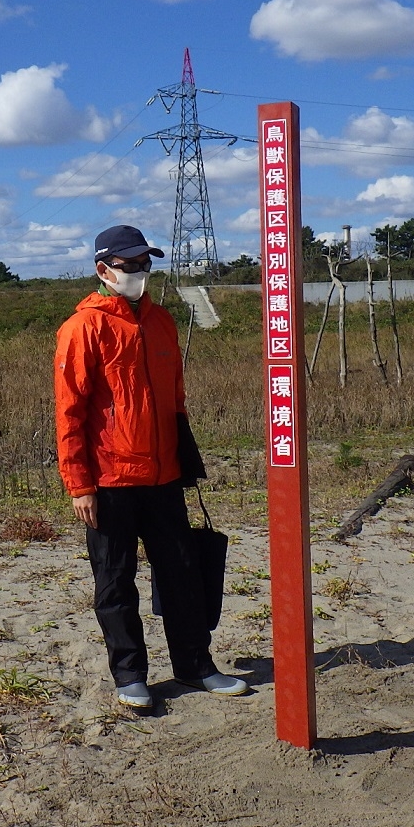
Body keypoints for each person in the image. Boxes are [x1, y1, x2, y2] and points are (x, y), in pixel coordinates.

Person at [54, 224, 248, 709]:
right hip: (110, 481)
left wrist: (185, 462)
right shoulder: (83, 328)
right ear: (104, 270)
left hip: (163, 477)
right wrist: (80, 485)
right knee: (115, 581)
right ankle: (130, 675)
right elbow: (70, 412)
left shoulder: (162, 322)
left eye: (146, 264)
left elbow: (175, 399)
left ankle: (195, 666)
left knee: (182, 573)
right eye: (130, 265)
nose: (141, 273)